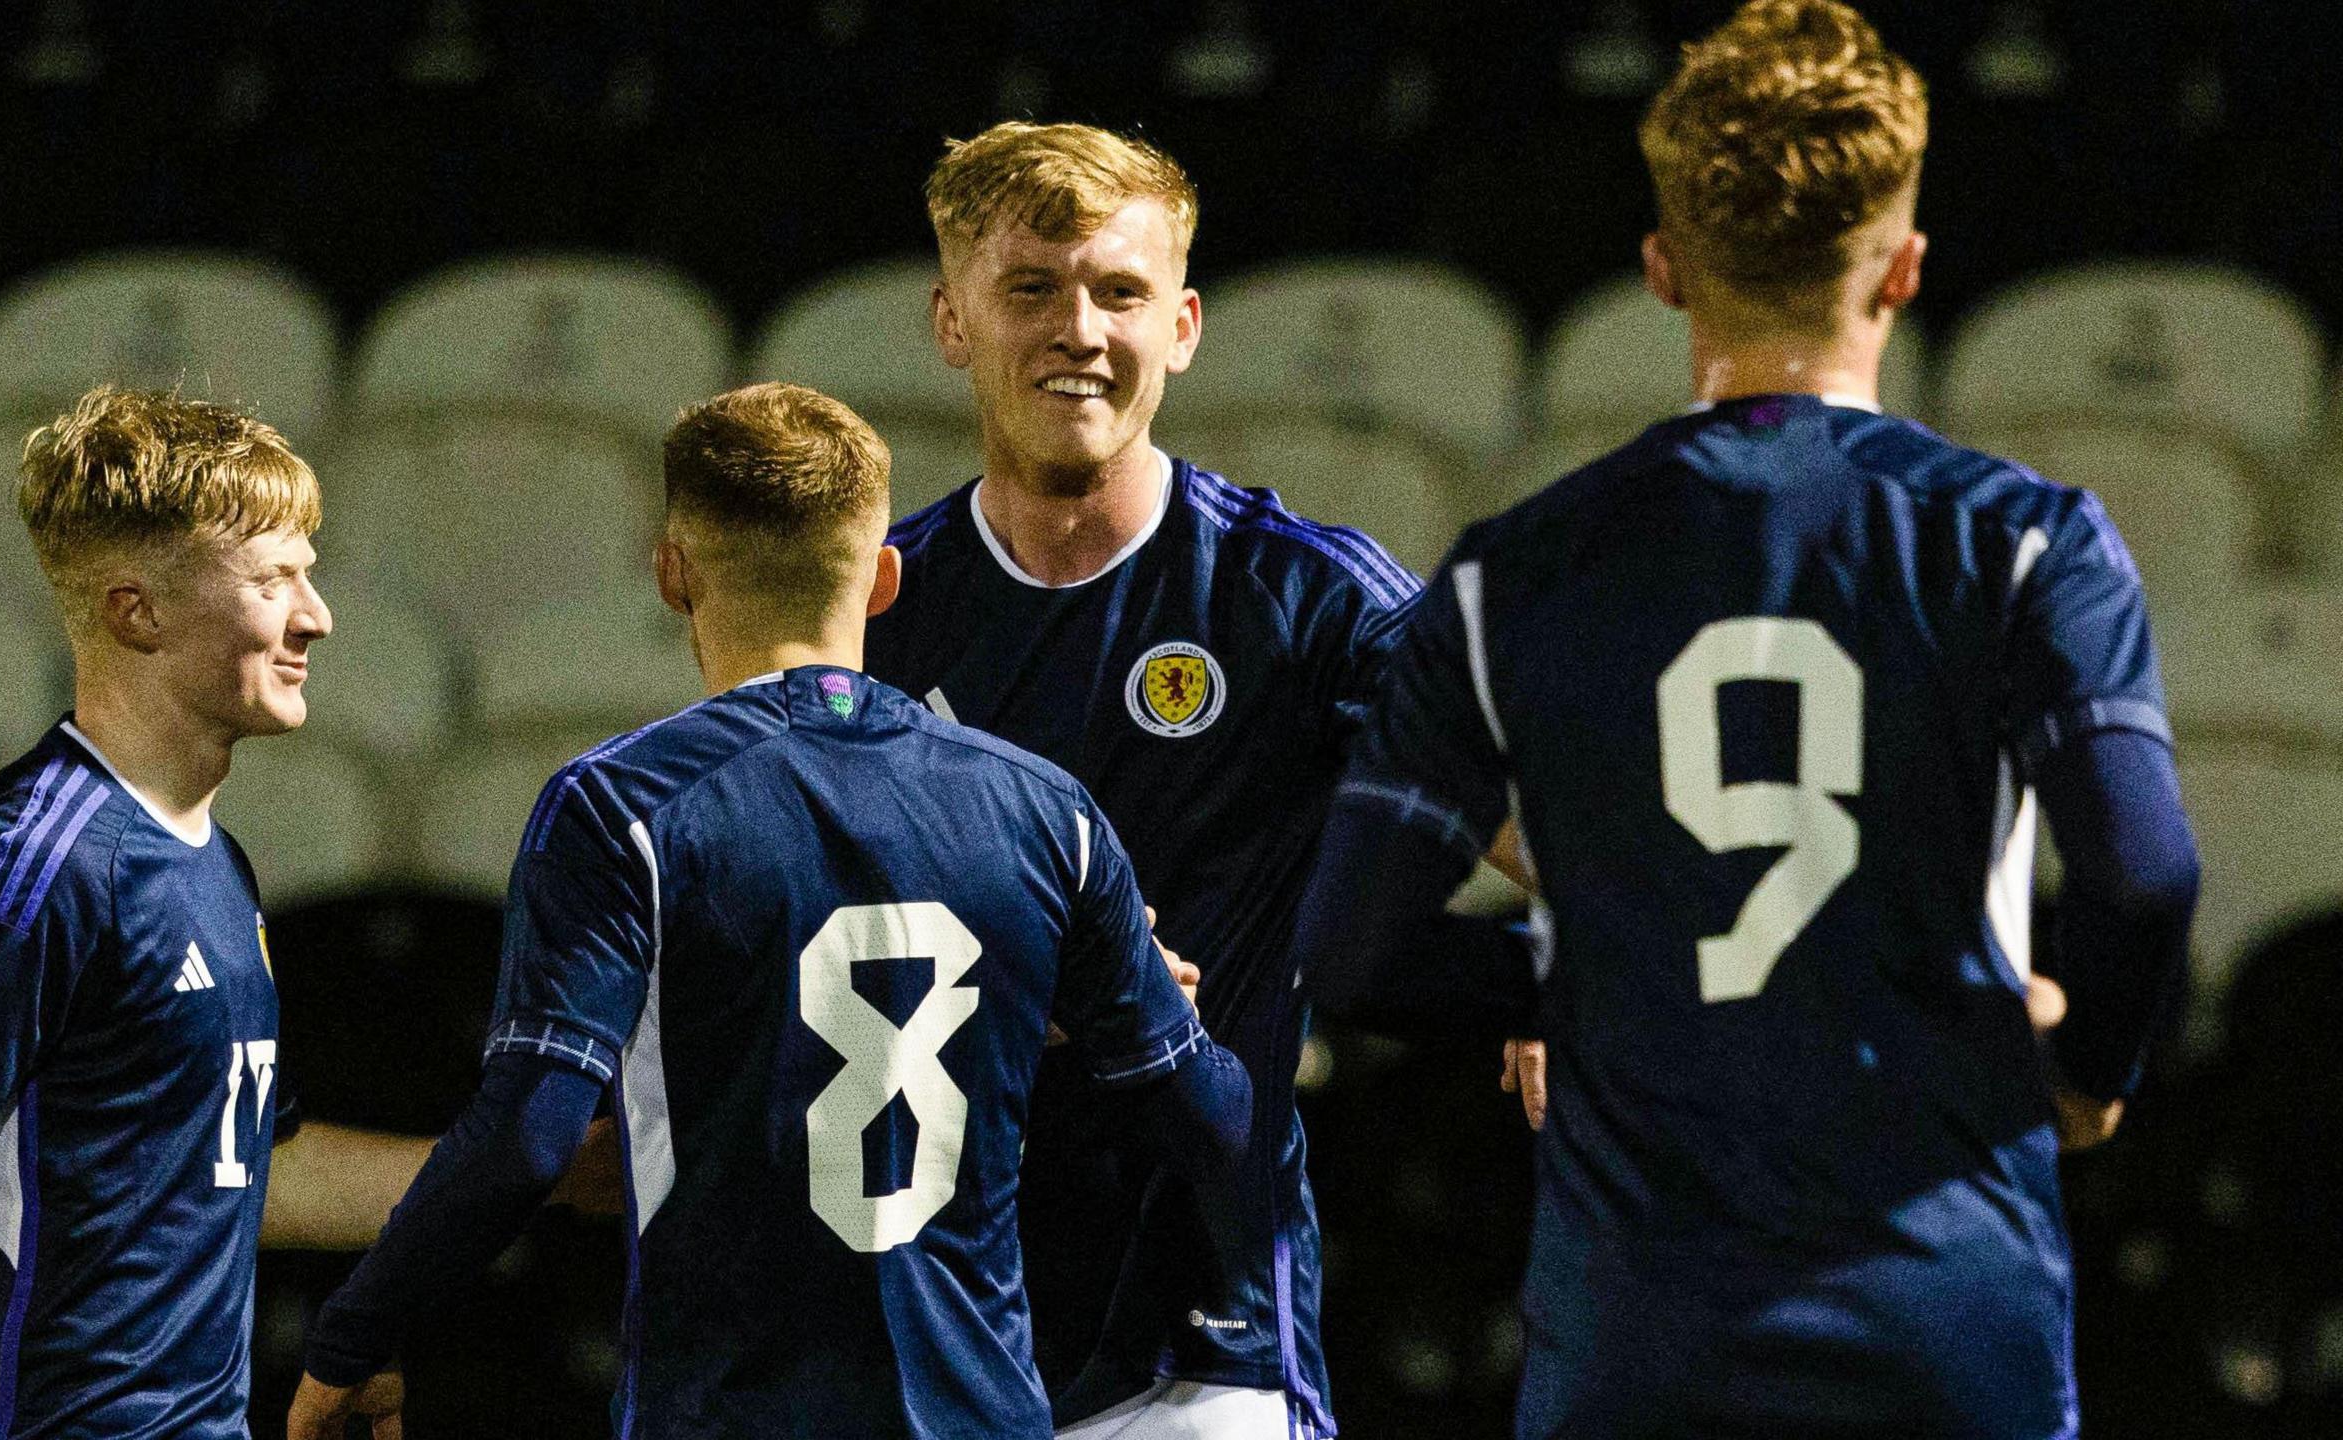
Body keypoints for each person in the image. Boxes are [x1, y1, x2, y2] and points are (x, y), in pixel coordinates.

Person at [1291, 4, 2200, 1436]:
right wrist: (2088, 1076)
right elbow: (2145, 877)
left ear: (1661, 270)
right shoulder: (2032, 543)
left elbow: (1349, 949)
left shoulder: (1514, 574)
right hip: (1946, 1313)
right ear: (1902, 270)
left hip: (1644, 1332)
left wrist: (1575, 981)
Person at [285, 382, 1251, 1440]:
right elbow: (1205, 1113)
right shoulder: (1041, 808)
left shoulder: (619, 808)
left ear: (671, 571)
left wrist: (353, 1338)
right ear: (884, 581)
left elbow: (528, 1135)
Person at [865, 120, 1515, 1440]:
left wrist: (1574, 970)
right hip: (925, 1318)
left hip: (1202, 1340)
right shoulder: (874, 608)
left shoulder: (1303, 594)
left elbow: (1539, 821)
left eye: (1120, 292)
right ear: (950, 319)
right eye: (1031, 289)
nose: (1079, 332)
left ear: (1187, 323)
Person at [0, 386, 431, 1440]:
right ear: (137, 612)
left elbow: (248, 1169)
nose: (316, 617)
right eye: (275, 580)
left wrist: (533, 1172)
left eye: (307, 576)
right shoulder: (41, 859)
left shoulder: (211, 862)